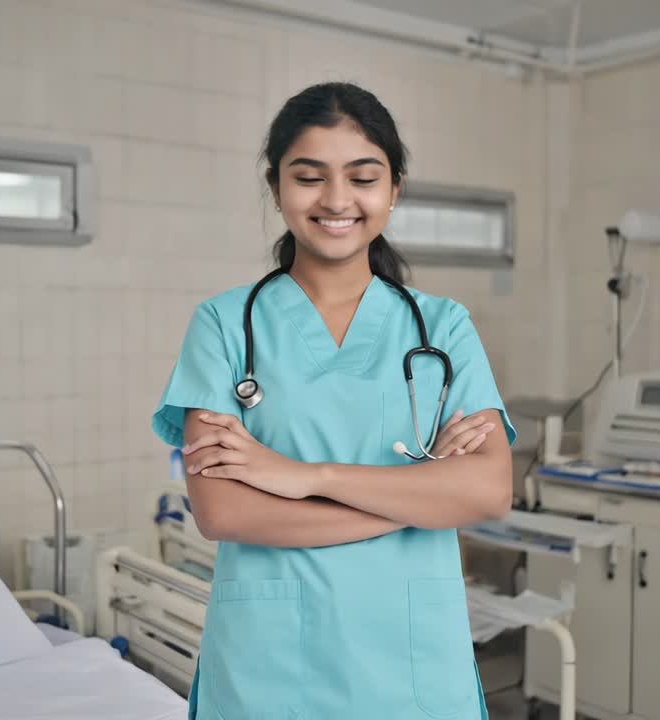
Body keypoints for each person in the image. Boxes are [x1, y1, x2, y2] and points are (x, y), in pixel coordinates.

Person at [152, 82, 516, 720]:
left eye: (363, 176)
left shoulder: (444, 327)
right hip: (271, 669)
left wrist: (299, 477)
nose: (337, 199)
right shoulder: (223, 325)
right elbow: (222, 511)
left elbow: (487, 493)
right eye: (310, 176)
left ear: (394, 189)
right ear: (277, 189)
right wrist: (418, 499)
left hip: (413, 665)